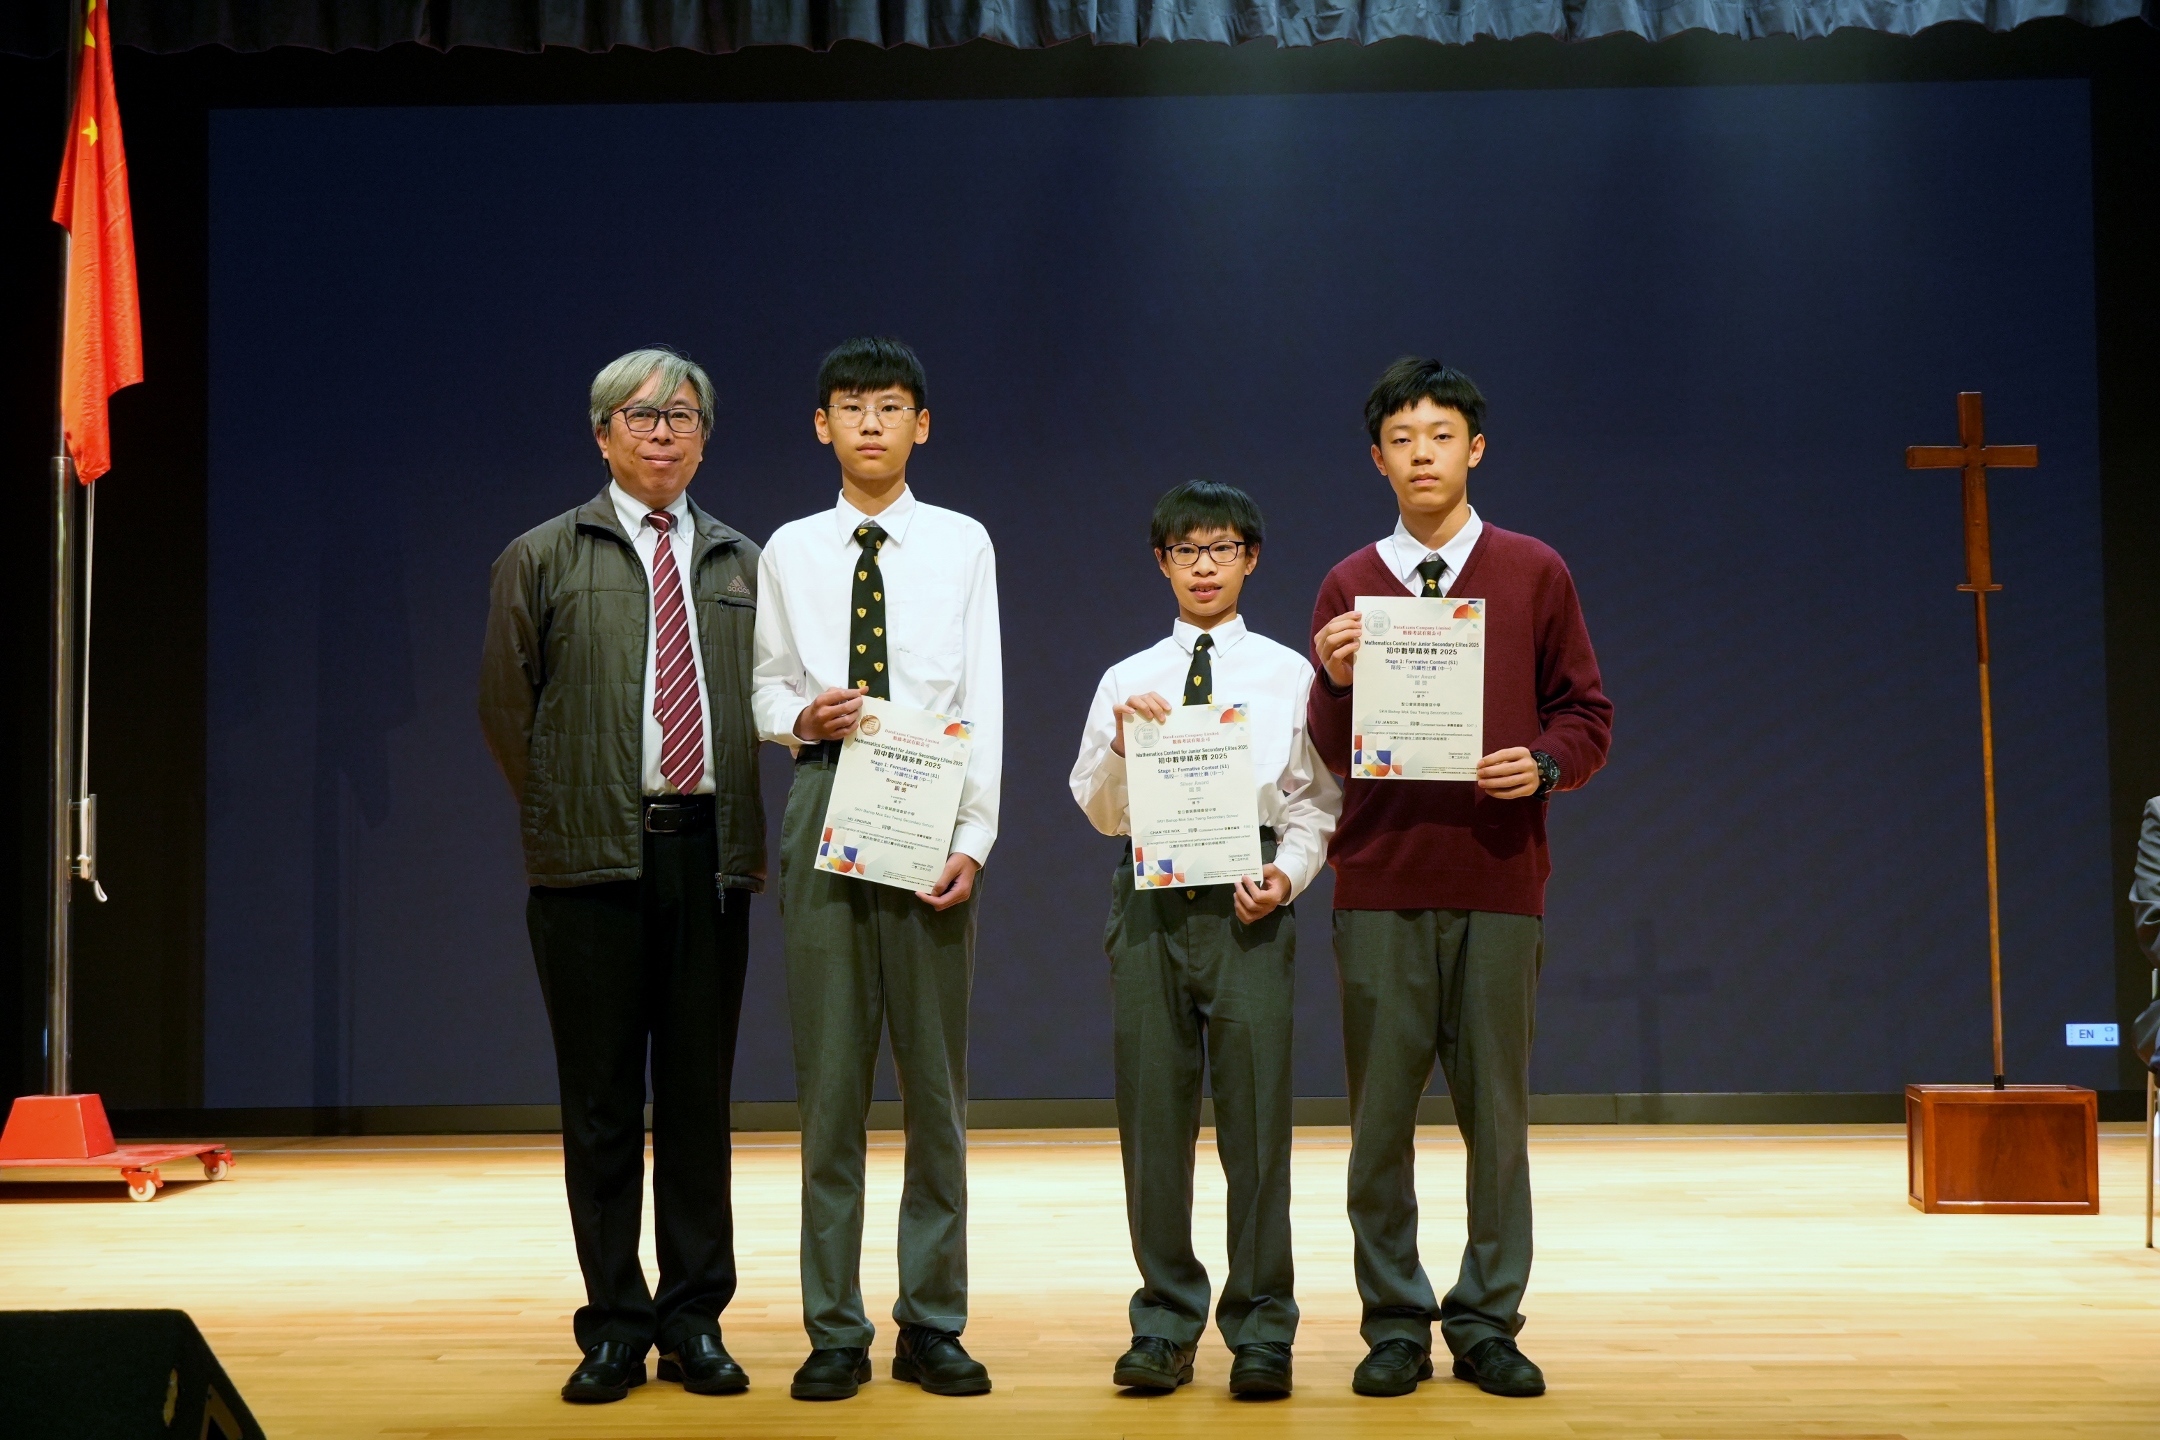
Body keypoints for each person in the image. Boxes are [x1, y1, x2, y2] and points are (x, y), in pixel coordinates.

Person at [1307, 357, 1612, 1401]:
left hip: (1498, 877)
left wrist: (1546, 764)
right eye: (1402, 439)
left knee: (1498, 1120)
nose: (1422, 454)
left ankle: (1486, 1319)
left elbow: (1588, 714)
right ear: (1377, 459)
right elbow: (1330, 749)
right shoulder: (1349, 584)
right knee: (1379, 1125)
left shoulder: (1534, 570)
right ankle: (1395, 1321)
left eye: (1441, 435)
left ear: (1475, 449)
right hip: (1380, 881)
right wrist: (1332, 680)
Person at [479, 347, 765, 1404]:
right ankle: (613, 1324)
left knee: (697, 1102)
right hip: (588, 865)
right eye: (639, 417)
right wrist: (572, 806)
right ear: (602, 436)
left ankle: (694, 1321)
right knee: (600, 1103)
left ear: (704, 438)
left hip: (708, 856)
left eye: (681, 416)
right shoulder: (541, 555)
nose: (661, 433)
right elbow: (505, 707)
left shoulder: (743, 562)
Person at [752, 336, 1004, 1401]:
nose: (870, 422)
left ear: (921, 425)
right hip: (825, 795)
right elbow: (764, 684)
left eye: (890, 406)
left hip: (927, 797)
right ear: (822, 425)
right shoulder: (790, 549)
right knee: (831, 1087)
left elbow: (983, 696)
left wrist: (974, 836)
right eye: (850, 406)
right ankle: (835, 1328)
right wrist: (796, 719)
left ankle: (932, 1321)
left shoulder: (961, 542)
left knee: (933, 1087)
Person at [1069, 482, 1342, 1398]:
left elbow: (1314, 805)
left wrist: (1286, 878)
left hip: (1247, 899)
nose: (1204, 567)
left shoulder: (1289, 675)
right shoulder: (1126, 678)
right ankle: (1163, 1322)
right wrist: (1120, 744)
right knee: (1153, 1122)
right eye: (1186, 551)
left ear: (1250, 559)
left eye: (1222, 549)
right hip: (1149, 897)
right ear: (1162, 563)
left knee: (1257, 1125)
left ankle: (1262, 1327)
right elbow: (1098, 809)